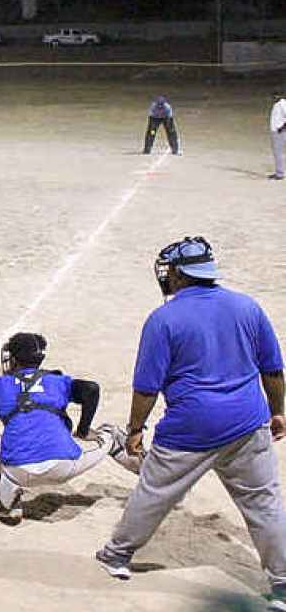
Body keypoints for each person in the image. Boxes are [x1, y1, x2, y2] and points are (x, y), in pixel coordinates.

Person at [95, 237, 286, 606]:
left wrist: (135, 431)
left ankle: (117, 555)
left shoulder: (164, 319)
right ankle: (282, 584)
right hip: (248, 422)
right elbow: (274, 370)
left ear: (180, 274)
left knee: (153, 494)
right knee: (265, 504)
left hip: (189, 429)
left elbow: (146, 387)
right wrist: (277, 411)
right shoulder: (247, 306)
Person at [0, 333, 109, 523]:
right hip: (65, 467)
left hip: (18, 472)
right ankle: (147, 474)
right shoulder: (56, 380)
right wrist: (83, 431)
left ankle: (3, 500)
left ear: (14, 360)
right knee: (111, 433)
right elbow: (91, 389)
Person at [270, 90, 286, 180]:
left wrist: (282, 127)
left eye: (276, 95)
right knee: (278, 153)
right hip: (277, 131)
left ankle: (280, 174)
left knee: (278, 153)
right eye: (273, 95)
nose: (274, 97)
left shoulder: (282, 104)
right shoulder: (277, 104)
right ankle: (279, 172)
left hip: (280, 132)